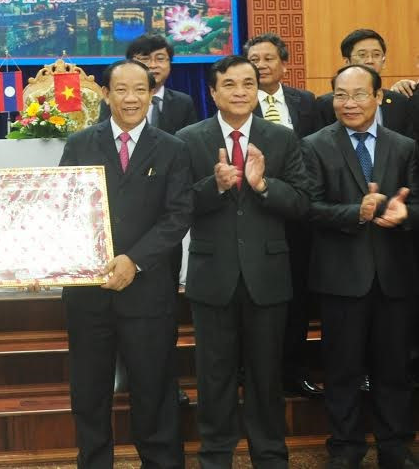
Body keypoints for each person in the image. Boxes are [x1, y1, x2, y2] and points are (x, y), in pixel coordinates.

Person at [177, 55, 310, 468]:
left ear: (258, 89)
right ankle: (216, 456)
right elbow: (177, 206)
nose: (240, 92)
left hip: (266, 276)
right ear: (213, 92)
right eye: (230, 84)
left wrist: (263, 184)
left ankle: (270, 455)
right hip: (212, 276)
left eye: (248, 84)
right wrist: (212, 186)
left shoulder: (282, 138)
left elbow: (303, 203)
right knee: (213, 376)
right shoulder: (188, 139)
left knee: (266, 375)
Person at [60, 60, 192, 468]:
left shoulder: (172, 148)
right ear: (105, 94)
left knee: (154, 388)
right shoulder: (80, 143)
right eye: (121, 89)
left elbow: (177, 216)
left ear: (152, 94)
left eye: (140, 90)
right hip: (88, 292)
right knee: (89, 391)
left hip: (148, 293)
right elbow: (61, 208)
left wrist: (134, 260)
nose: (131, 98)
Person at [303, 64, 419, 469]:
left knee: (394, 369)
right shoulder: (315, 145)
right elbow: (310, 208)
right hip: (340, 278)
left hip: (394, 277)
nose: (348, 104)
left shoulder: (403, 146)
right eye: (339, 95)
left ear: (377, 96)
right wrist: (357, 211)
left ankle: (394, 445)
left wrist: (405, 214)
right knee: (342, 369)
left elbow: (417, 202)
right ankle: (346, 447)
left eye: (357, 95)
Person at [243, 33, 322, 399]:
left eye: (268, 58)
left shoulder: (306, 102)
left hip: (301, 216)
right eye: (254, 59)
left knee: (298, 297)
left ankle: (294, 369)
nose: (261, 65)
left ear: (284, 64)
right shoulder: (238, 103)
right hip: (257, 213)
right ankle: (254, 372)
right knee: (257, 297)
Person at [315, 29, 414, 139]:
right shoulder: (326, 104)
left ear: (383, 62)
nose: (370, 60)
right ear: (347, 62)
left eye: (376, 55)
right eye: (362, 55)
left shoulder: (399, 101)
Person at [98, 33, 198, 133]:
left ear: (170, 63)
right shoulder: (114, 100)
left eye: (160, 59)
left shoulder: (183, 103)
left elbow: (189, 141)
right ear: (130, 63)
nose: (153, 65)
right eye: (145, 59)